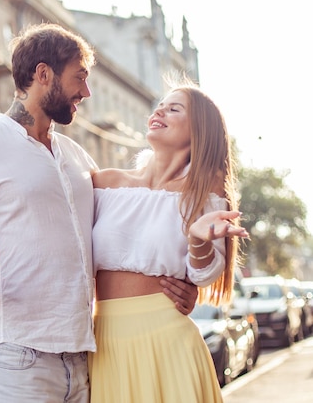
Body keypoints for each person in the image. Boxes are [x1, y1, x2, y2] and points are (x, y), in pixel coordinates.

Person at [0, 22, 198, 403]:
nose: (86, 92)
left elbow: (128, 230)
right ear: (42, 74)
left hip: (84, 359)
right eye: (79, 78)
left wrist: (179, 285)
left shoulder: (78, 159)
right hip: (16, 357)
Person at [88, 79, 249, 402]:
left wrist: (197, 241)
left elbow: (205, 275)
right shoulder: (102, 183)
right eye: (160, 104)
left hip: (167, 338)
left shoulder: (205, 188)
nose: (159, 109)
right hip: (104, 341)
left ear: (198, 132)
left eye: (174, 108)